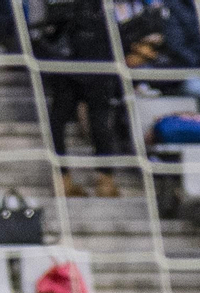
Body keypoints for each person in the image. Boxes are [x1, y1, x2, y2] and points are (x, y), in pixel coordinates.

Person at [38, 0, 126, 197]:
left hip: (73, 54)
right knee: (96, 118)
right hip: (90, 53)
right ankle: (100, 179)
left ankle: (67, 179)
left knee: (74, 118)